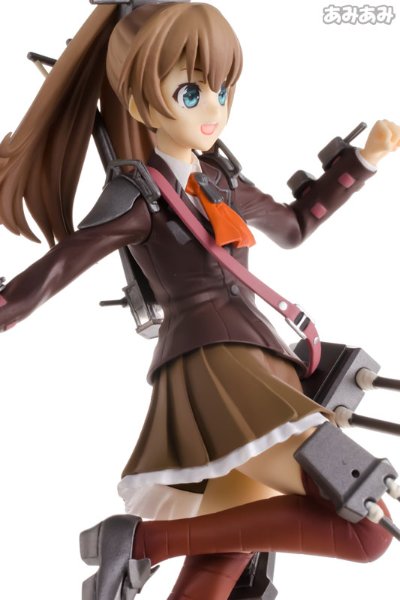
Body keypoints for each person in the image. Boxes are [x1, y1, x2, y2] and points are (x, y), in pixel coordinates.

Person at [0, 3, 399, 599]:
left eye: (222, 91)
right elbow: (58, 268)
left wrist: (361, 163)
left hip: (266, 360)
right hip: (214, 370)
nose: (213, 109)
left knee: (223, 558)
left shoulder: (222, 182)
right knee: (366, 519)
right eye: (191, 93)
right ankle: (142, 544)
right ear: (140, 104)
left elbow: (294, 226)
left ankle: (141, 547)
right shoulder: (138, 195)